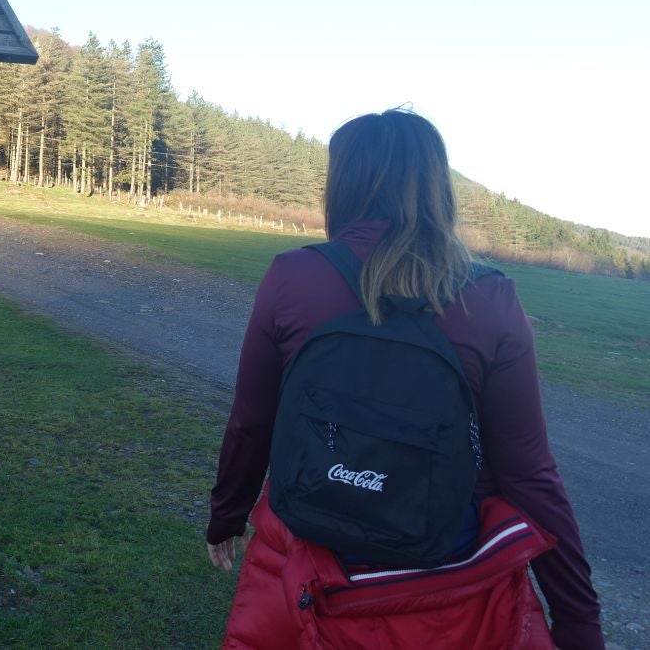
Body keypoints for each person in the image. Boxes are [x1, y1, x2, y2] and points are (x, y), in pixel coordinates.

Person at [206, 108, 604, 649]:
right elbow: (529, 474)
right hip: (449, 590)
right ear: (437, 186)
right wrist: (578, 618)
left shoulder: (292, 278)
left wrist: (228, 516)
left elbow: (251, 424)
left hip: (312, 573)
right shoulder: (489, 299)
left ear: (342, 183)